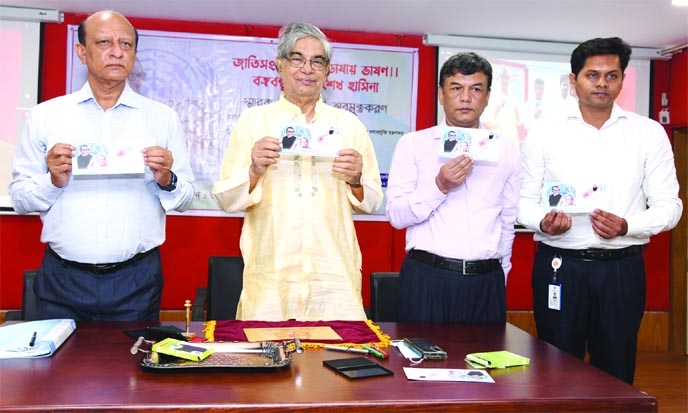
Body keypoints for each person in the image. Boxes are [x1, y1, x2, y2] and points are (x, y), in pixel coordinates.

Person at [9, 10, 195, 322]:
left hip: (136, 279)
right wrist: (52, 179)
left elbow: (186, 198)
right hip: (63, 279)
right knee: (57, 370)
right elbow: (19, 199)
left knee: (131, 369)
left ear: (134, 54)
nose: (117, 52)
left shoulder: (162, 118)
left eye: (126, 44)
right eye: (105, 42)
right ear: (82, 51)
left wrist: (167, 178)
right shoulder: (46, 116)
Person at [517, 37, 682, 384]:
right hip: (559, 267)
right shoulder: (544, 133)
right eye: (593, 75)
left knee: (617, 367)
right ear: (573, 79)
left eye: (612, 75)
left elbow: (670, 207)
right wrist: (544, 222)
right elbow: (523, 203)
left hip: (621, 270)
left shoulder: (648, 134)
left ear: (622, 79)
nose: (603, 84)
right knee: (555, 366)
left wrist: (627, 225)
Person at [211, 21, 383, 321]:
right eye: (297, 58)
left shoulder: (349, 126)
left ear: (328, 71)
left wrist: (356, 179)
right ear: (279, 65)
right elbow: (226, 199)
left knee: (335, 364)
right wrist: (253, 169)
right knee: (268, 364)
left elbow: (372, 202)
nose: (308, 69)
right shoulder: (254, 122)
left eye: (318, 61)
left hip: (333, 281)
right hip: (270, 281)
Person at [386, 52, 522, 324]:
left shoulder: (507, 148)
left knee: (485, 365)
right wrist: (440, 186)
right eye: (456, 88)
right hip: (428, 278)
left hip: (486, 282)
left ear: (487, 96)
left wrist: (500, 275)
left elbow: (507, 220)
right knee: (419, 364)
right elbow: (397, 217)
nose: (465, 97)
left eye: (476, 89)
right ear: (441, 93)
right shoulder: (414, 144)